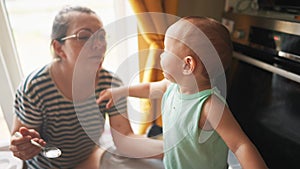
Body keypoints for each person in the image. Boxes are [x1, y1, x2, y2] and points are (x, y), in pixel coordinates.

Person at [97, 16, 268, 169]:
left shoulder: (209, 106)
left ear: (187, 65)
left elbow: (240, 145)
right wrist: (121, 91)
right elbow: (149, 89)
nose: (161, 55)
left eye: (166, 50)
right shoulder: (172, 86)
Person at [9, 5, 163, 169]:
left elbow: (124, 138)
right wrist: (23, 145)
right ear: (59, 48)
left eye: (101, 37)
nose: (98, 44)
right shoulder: (35, 88)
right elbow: (20, 138)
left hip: (90, 161)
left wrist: (171, 147)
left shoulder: (110, 84)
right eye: (84, 37)